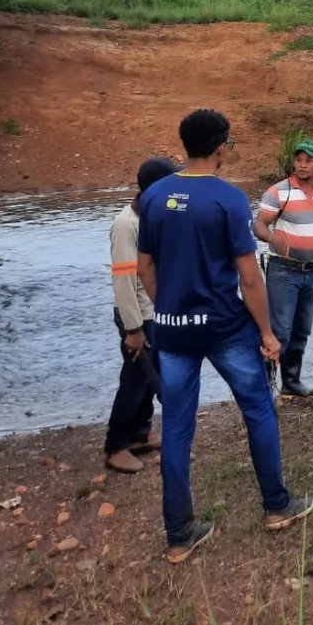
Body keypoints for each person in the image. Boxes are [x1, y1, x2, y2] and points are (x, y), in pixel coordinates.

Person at [137, 109, 313, 564]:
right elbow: (249, 279)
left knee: (176, 426)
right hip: (225, 327)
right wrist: (267, 333)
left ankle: (179, 535)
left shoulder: (155, 196)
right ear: (221, 148)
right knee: (257, 408)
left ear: (184, 144)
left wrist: (168, 310)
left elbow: (145, 268)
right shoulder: (230, 200)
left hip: (172, 331)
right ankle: (277, 507)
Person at [253, 139, 313, 398]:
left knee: (302, 328)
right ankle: (264, 387)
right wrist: (272, 238)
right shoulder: (279, 192)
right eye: (299, 159)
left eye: (308, 160)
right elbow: (259, 224)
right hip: (283, 270)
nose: (302, 165)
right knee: (279, 329)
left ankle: (291, 382)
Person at [104, 156, 178, 473]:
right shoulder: (125, 225)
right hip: (135, 315)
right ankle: (115, 445)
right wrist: (133, 329)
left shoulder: (152, 217)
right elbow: (123, 280)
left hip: (154, 310)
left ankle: (138, 434)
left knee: (150, 379)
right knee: (135, 379)